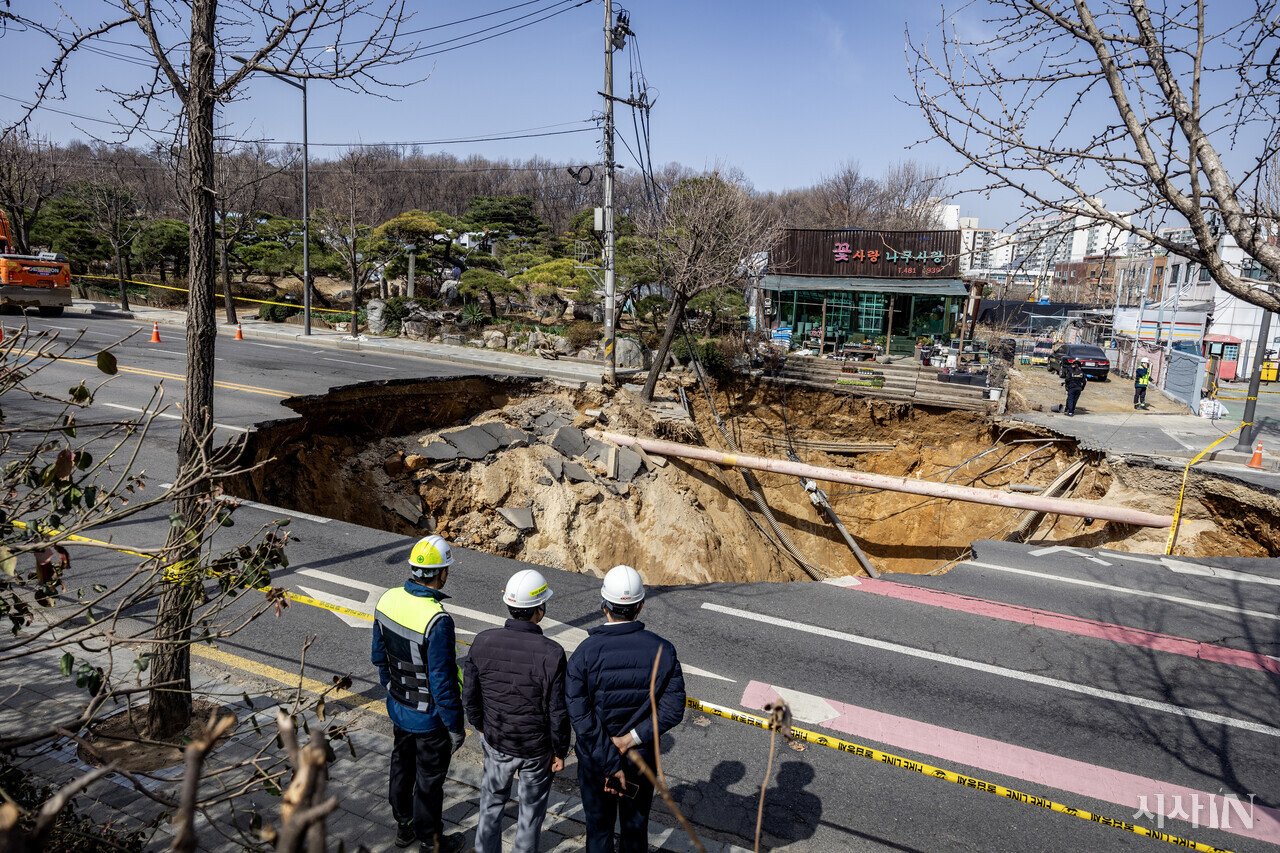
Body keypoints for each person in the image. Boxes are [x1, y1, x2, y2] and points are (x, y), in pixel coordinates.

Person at [566, 565, 686, 853]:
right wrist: (629, 739)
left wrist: (608, 759)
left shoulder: (584, 653)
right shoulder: (663, 650)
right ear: (640, 607)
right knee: (635, 829)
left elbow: (580, 716)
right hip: (639, 760)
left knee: (598, 830)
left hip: (595, 760)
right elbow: (673, 709)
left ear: (604, 606)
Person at [372, 535, 467, 853]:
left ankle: (405, 826)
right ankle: (432, 840)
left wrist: (391, 687)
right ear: (442, 574)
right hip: (429, 720)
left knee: (401, 766)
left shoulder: (386, 599)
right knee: (428, 782)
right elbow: (442, 681)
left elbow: (379, 656)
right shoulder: (438, 620)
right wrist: (454, 726)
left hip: (399, 708)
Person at [463, 570, 570, 853]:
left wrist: (482, 727)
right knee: (530, 815)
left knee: (490, 804)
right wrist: (560, 751)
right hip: (536, 749)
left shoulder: (482, 641)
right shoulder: (553, 652)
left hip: (497, 740)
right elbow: (558, 710)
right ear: (540, 608)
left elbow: (470, 694)